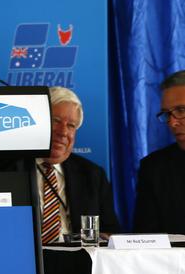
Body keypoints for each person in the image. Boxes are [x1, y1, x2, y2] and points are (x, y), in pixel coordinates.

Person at [37, 86, 120, 244]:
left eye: (71, 126)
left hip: (78, 262)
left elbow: (111, 231)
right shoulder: (10, 169)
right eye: (55, 121)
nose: (63, 132)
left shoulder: (92, 174)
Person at [134, 70, 185, 234]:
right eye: (167, 114)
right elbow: (146, 237)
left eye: (181, 111)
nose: (172, 122)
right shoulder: (154, 168)